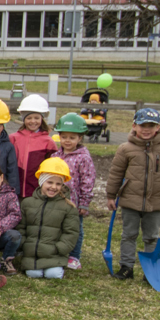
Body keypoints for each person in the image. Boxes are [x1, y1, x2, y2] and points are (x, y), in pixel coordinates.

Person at [105, 108, 160, 280]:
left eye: (151, 125)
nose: (146, 129)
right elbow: (116, 173)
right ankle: (127, 267)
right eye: (142, 125)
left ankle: (151, 270)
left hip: (157, 201)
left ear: (158, 127)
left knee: (152, 237)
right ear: (134, 126)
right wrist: (111, 195)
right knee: (128, 235)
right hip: (130, 200)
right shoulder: (125, 148)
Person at [17, 158, 80, 279]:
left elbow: (71, 232)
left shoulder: (68, 207)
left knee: (53, 275)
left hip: (54, 254)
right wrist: (25, 244)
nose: (53, 187)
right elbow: (21, 227)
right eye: (49, 182)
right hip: (32, 254)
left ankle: (55, 267)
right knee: (33, 274)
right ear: (41, 182)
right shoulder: (27, 203)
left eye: (58, 184)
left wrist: (59, 248)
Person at [52, 113, 96, 270]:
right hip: (56, 200)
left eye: (72, 137)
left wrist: (84, 203)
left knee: (75, 229)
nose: (67, 141)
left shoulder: (83, 158)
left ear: (80, 138)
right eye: (64, 137)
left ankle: (74, 256)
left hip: (74, 203)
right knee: (58, 227)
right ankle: (59, 253)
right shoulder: (56, 156)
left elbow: (88, 181)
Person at [10, 95, 56, 199]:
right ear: (23, 119)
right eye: (29, 118)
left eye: (37, 118)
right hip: (15, 190)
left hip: (37, 192)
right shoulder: (13, 138)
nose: (33, 121)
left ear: (42, 119)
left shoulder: (48, 142)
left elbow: (52, 168)